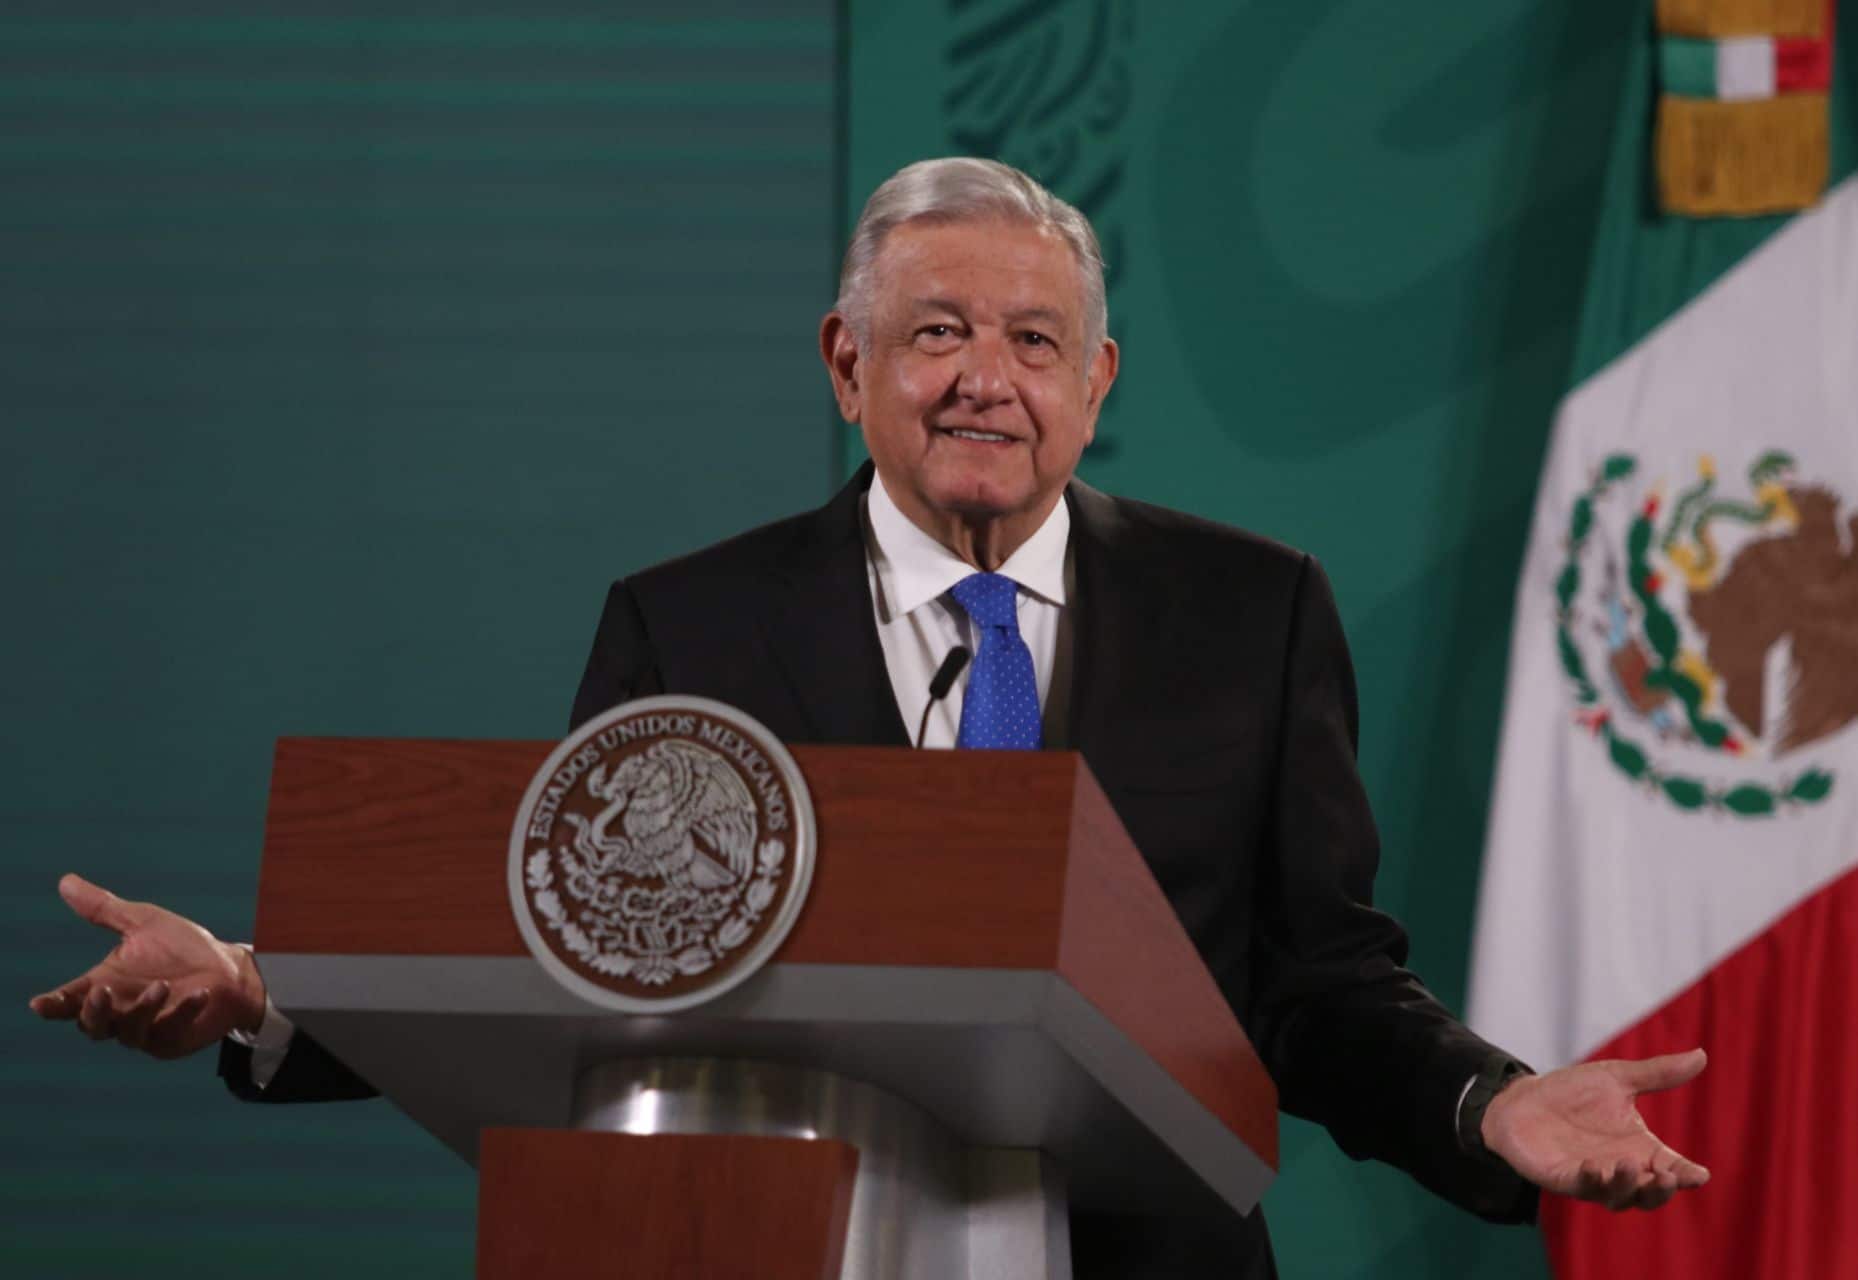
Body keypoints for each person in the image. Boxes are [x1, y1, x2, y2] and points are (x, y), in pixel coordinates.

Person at [32, 158, 1709, 1278]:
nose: (988, 375)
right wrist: (261, 995)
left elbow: (1317, 979)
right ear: (846, 362)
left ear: (1099, 380)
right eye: (936, 333)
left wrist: (1485, 1102)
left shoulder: (1248, 613)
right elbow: (579, 946)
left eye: (1035, 338)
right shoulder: (686, 621)